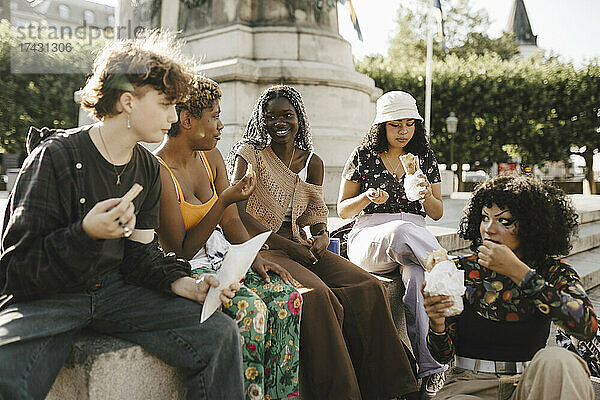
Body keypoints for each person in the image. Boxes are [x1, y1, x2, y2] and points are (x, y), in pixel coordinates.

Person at [0, 32, 245, 399]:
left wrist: (183, 284)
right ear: (128, 100)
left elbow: (140, 255)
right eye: (165, 104)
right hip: (52, 296)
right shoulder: (57, 157)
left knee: (219, 334)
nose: (175, 117)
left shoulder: (147, 167)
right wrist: (85, 233)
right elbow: (16, 267)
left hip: (116, 292)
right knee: (7, 372)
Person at [228, 85, 418, 400]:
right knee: (318, 297)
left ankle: (395, 389)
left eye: (287, 115)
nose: (279, 122)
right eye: (271, 116)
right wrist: (289, 246)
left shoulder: (312, 161)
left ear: (299, 118)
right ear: (260, 120)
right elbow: (237, 213)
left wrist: (321, 234)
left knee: (367, 286)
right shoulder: (250, 154)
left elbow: (317, 211)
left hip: (300, 247)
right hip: (262, 247)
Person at [155, 76, 302, 400]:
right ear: (187, 119)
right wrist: (223, 201)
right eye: (215, 116)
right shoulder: (160, 171)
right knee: (252, 311)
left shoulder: (212, 156)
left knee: (285, 297)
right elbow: (180, 251)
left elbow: (232, 222)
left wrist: (257, 259)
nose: (221, 126)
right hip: (189, 271)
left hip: (224, 257)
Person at [423, 173, 598, 400]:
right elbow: (442, 355)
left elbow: (586, 327)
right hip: (470, 385)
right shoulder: (458, 269)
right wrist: (436, 323)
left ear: (532, 226)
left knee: (559, 360)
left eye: (504, 221)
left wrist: (519, 273)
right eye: (485, 218)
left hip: (531, 384)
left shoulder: (553, 272)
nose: (489, 229)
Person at [337, 90, 446, 397]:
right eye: (396, 124)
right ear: (381, 125)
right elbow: (342, 209)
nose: (403, 131)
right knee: (400, 230)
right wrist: (366, 197)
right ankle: (447, 270)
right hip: (370, 238)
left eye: (410, 124)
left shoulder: (424, 157)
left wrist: (425, 193)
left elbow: (436, 213)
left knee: (418, 280)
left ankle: (431, 369)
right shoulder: (363, 155)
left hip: (415, 238)